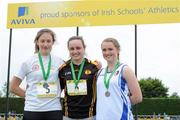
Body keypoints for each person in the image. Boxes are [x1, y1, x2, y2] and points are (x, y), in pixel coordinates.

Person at [10, 29, 64, 120]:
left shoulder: (60, 62)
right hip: (32, 110)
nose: (45, 44)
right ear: (37, 42)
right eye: (42, 41)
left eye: (48, 41)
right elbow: (13, 87)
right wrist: (30, 96)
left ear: (53, 43)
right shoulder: (28, 62)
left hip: (54, 109)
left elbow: (64, 83)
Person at [96, 38, 142, 120]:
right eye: (104, 50)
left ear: (118, 50)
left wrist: (121, 103)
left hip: (121, 117)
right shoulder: (100, 72)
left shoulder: (125, 69)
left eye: (110, 49)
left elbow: (138, 97)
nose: (107, 52)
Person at [58, 36, 99, 120]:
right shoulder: (63, 68)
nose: (75, 51)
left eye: (78, 48)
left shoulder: (94, 67)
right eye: (72, 49)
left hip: (89, 115)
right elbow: (58, 90)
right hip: (68, 115)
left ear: (84, 48)